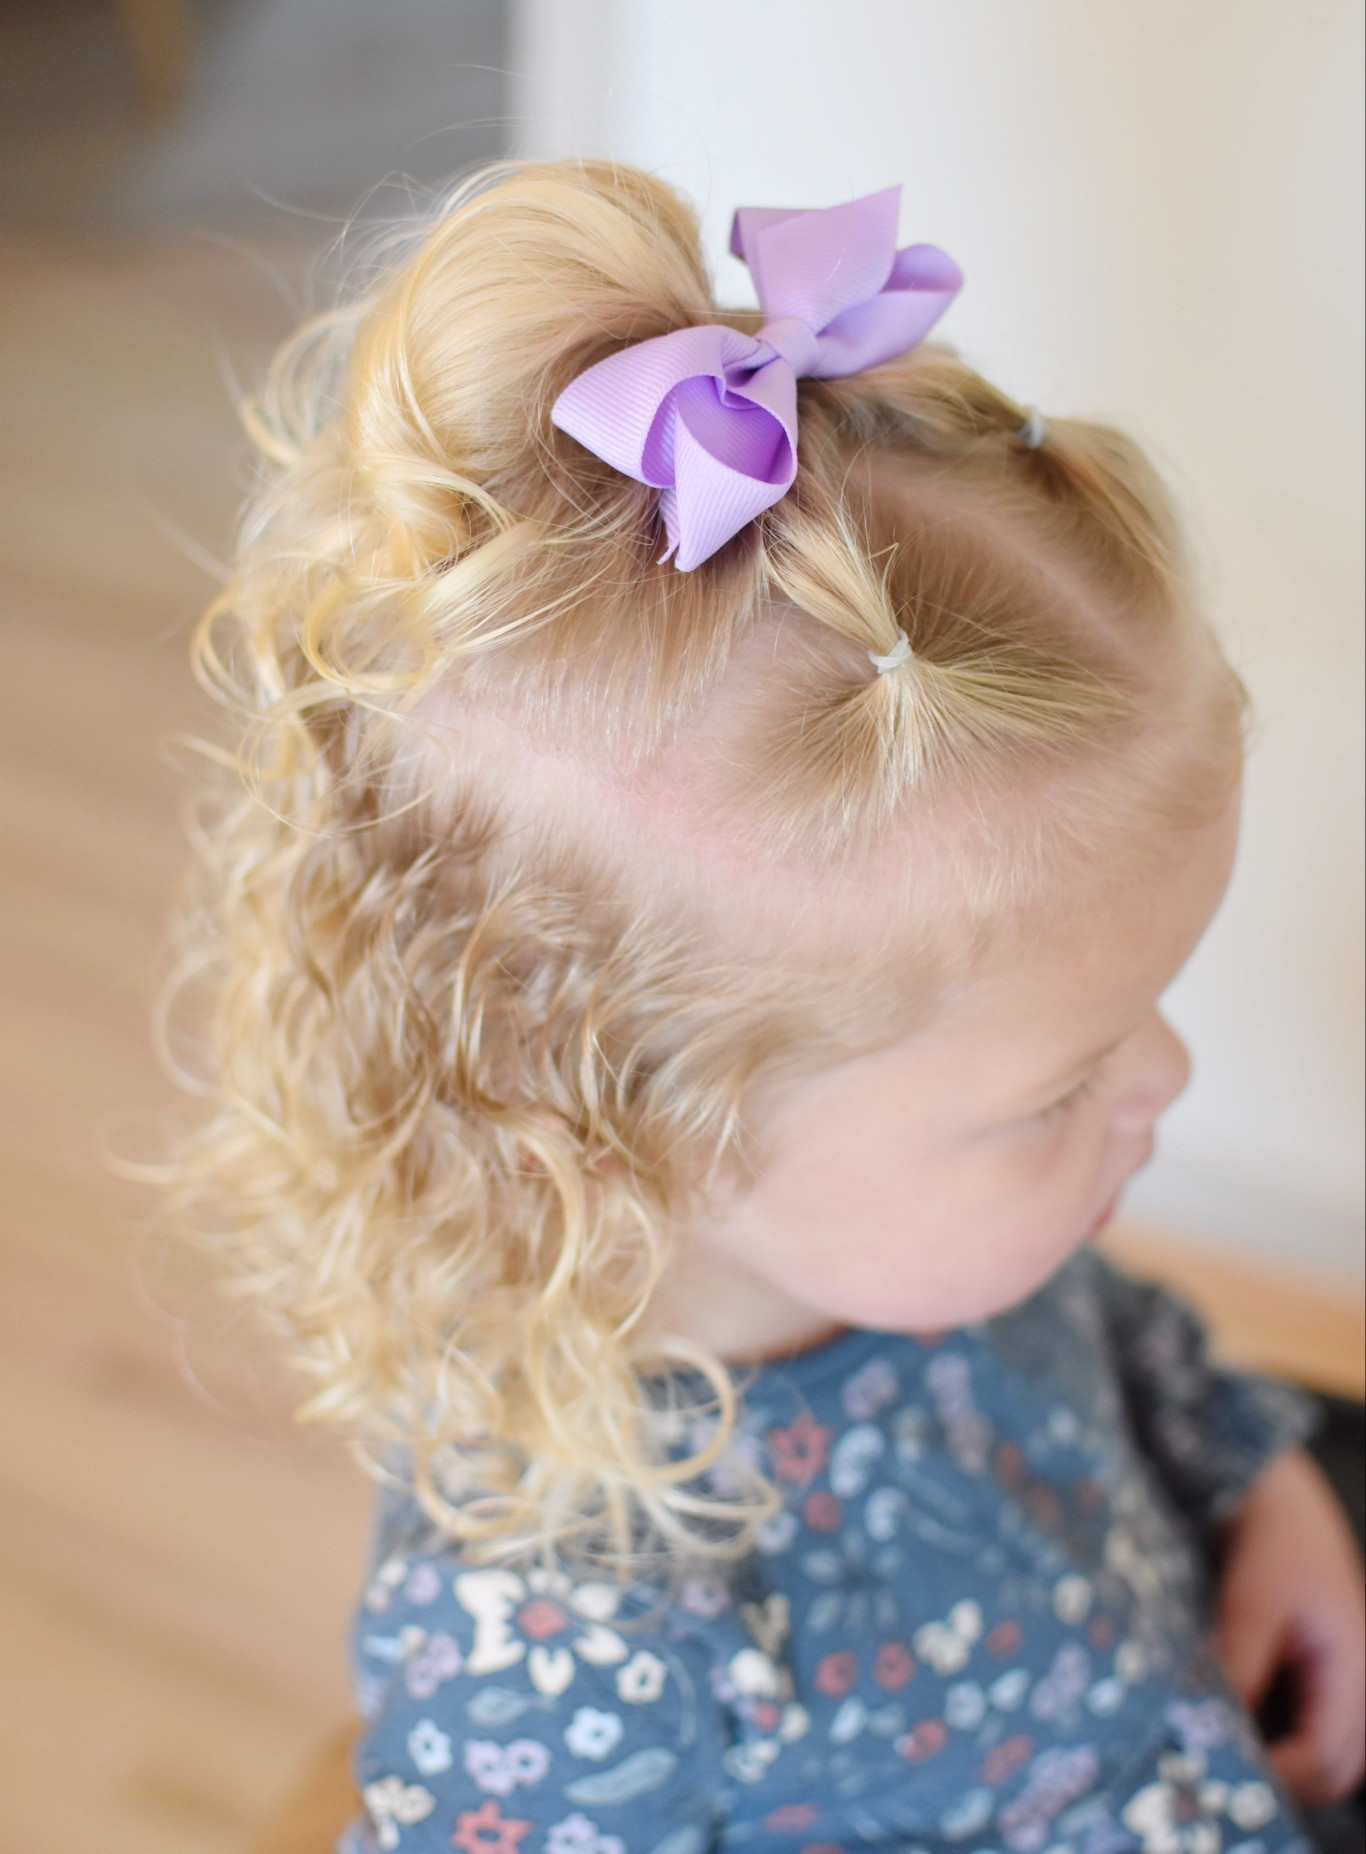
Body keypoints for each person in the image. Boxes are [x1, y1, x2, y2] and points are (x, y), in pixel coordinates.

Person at [167, 161, 1365, 1852]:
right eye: (1058, 1084)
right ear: (636, 1138)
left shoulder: (938, 1224)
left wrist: (1260, 1481)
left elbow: (1108, 1332)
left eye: (1140, 1013)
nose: (1163, 1075)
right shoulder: (567, 1647)